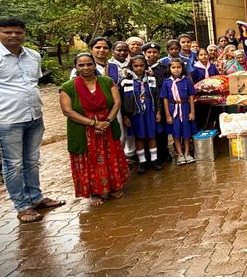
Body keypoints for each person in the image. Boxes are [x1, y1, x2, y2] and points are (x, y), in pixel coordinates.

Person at [0, 17, 62, 223]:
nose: (13, 36)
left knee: (32, 161)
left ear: (24, 33)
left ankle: (36, 198)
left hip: (34, 117)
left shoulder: (33, 56)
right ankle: (22, 206)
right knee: (13, 164)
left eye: (18, 32)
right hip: (5, 121)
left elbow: (32, 84)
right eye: (8, 32)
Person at [59, 53, 129, 206]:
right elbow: (68, 111)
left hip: (107, 127)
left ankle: (113, 187)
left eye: (89, 64)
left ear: (94, 65)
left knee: (111, 156)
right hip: (84, 131)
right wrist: (94, 123)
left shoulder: (107, 82)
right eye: (81, 65)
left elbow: (116, 102)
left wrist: (107, 121)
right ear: (76, 67)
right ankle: (94, 192)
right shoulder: (68, 87)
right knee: (89, 161)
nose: (86, 68)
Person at [120, 55, 163, 174]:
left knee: (151, 136)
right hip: (135, 113)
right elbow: (122, 100)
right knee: (139, 137)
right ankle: (142, 161)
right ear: (131, 67)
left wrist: (158, 111)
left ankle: (154, 160)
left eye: (141, 66)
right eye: (136, 66)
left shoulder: (151, 79)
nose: (139, 68)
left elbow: (157, 97)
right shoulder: (126, 81)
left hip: (150, 111)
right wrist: (125, 116)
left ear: (145, 66)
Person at [160, 59, 197, 165]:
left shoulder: (187, 81)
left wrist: (192, 112)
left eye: (179, 67)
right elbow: (165, 98)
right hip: (172, 109)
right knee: (176, 133)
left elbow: (191, 96)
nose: (176, 70)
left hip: (185, 108)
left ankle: (187, 153)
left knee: (186, 131)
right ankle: (180, 154)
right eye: (173, 67)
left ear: (182, 68)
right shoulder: (166, 82)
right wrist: (167, 115)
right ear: (169, 69)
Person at [143, 42, 172, 164]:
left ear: (159, 54)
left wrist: (154, 76)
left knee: (161, 130)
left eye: (154, 52)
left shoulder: (163, 68)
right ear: (144, 54)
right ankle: (148, 156)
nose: (152, 54)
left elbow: (164, 84)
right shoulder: (139, 67)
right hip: (146, 104)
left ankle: (163, 153)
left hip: (160, 102)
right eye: (149, 52)